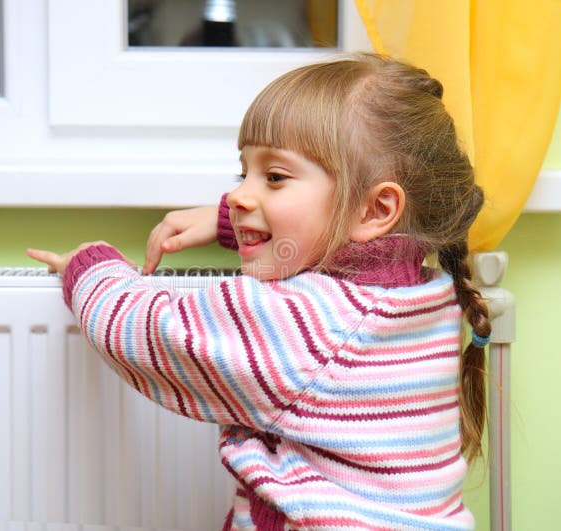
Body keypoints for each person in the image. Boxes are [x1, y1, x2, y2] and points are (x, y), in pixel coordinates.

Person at [27, 52, 491, 530]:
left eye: (274, 177)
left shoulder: (311, 324)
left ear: (375, 210)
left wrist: (89, 266)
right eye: (242, 173)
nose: (239, 196)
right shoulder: (424, 292)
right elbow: (322, 242)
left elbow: (143, 329)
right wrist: (237, 223)